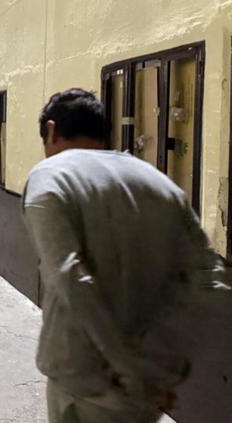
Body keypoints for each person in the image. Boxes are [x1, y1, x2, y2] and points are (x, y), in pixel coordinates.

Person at [23, 88, 230, 423]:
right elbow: (211, 281)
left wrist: (128, 369)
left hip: (85, 380)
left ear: (51, 130)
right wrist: (162, 362)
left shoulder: (50, 177)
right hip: (149, 389)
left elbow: (70, 278)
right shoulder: (160, 184)